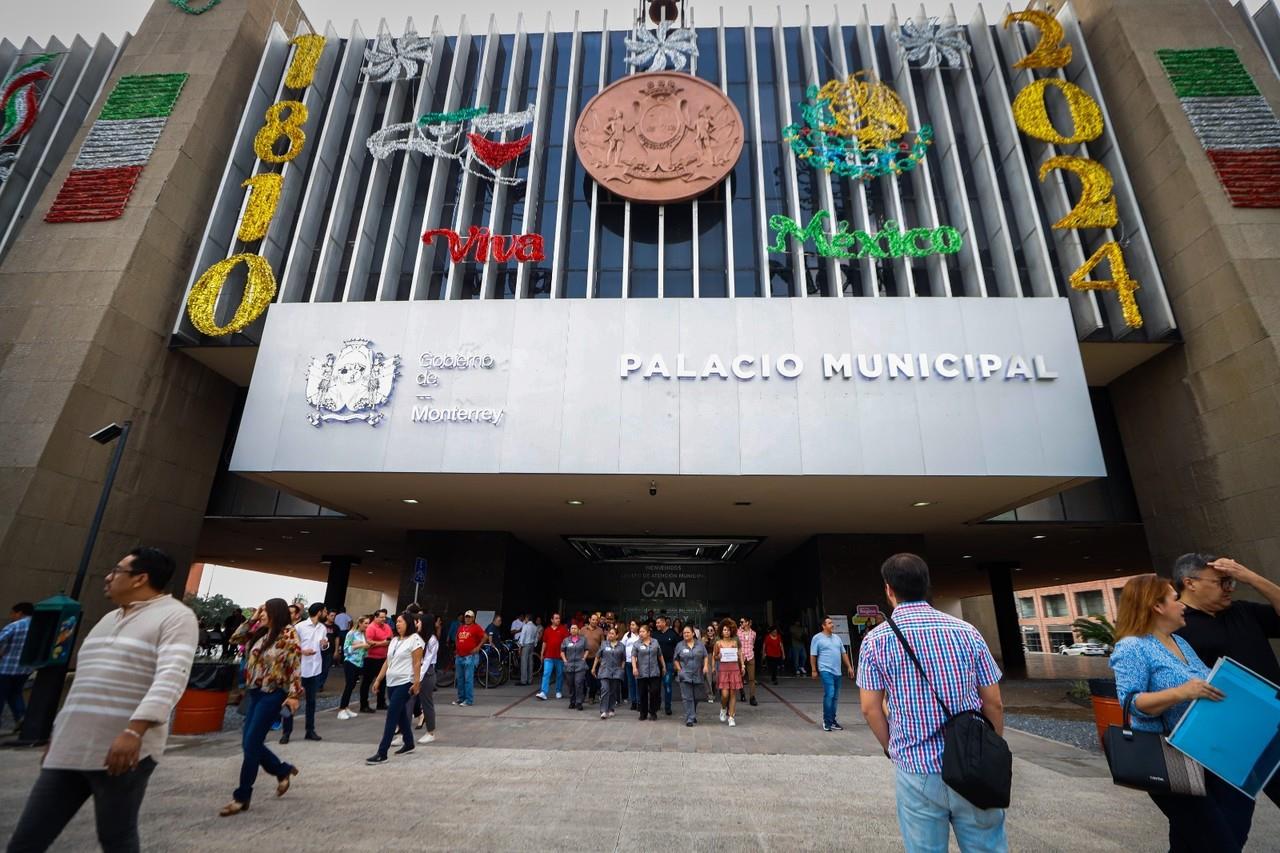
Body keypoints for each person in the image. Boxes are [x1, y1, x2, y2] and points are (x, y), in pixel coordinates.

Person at [9, 548, 198, 848]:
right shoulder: (107, 619)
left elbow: (171, 677)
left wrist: (134, 730)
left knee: (116, 837)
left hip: (121, 751)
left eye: (118, 571)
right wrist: (59, 733)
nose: (108, 577)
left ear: (140, 579)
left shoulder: (175, 617)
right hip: (69, 749)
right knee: (27, 838)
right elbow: (85, 683)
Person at [857, 553, 1006, 853]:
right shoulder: (967, 632)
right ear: (926, 585)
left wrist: (891, 748)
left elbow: (870, 708)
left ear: (888, 589)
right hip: (974, 765)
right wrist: (987, 750)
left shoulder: (875, 641)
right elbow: (993, 702)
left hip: (917, 768)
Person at [1111, 573, 1252, 852]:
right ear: (1157, 606)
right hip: (1170, 761)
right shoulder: (1132, 646)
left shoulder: (1180, 642)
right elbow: (1130, 701)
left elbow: (1203, 685)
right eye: (1175, 599)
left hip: (1208, 753)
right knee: (1218, 842)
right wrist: (1181, 692)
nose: (1183, 605)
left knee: (1199, 839)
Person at [1172, 553, 1280, 811]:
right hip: (1225, 735)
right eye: (1221, 582)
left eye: (1232, 582)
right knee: (1228, 820)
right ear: (1190, 583)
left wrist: (1250, 577)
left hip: (1272, 719)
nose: (1229, 588)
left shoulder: (1243, 611)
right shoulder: (1176, 624)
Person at [219, 598, 301, 817]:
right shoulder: (261, 633)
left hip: (273, 695)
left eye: (265, 610)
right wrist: (252, 619)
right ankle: (282, 769)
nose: (261, 613)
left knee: (252, 743)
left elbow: (294, 666)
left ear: (276, 612)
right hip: (254, 693)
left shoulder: (289, 635)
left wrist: (294, 695)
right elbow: (235, 638)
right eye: (261, 610)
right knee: (249, 742)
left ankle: (242, 796)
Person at [367, 613, 424, 764]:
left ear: (408, 623)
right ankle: (409, 742)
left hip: (405, 681)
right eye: (396, 622)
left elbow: (417, 663)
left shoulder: (415, 640)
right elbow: (387, 661)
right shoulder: (394, 640)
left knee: (392, 714)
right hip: (391, 682)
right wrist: (378, 679)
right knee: (400, 715)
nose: (397, 624)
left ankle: (382, 752)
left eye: (400, 622)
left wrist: (417, 683)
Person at [284, 602, 327, 744]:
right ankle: (286, 732)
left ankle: (310, 730)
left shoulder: (322, 628)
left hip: (315, 668)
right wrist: (303, 651)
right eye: (324, 611)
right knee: (291, 700)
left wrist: (325, 644)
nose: (326, 614)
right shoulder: (300, 627)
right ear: (319, 612)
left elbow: (324, 645)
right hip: (299, 669)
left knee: (311, 702)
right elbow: (290, 647)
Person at [810, 616, 855, 732]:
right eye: (829, 623)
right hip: (825, 670)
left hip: (837, 672)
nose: (832, 625)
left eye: (832, 623)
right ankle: (827, 721)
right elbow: (813, 655)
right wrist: (814, 670)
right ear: (823, 626)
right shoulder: (817, 638)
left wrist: (849, 667)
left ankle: (833, 720)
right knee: (829, 694)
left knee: (835, 697)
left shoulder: (837, 638)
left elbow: (843, 653)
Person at [0, 601, 34, 731]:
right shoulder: (38, 627)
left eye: (13, 613)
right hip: (25, 669)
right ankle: (21, 717)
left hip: (7, 668)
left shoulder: (14, 626)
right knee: (15, 693)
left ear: (19, 613)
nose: (12, 616)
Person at [674, 625, 708, 726]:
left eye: (688, 632)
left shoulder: (700, 645)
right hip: (685, 675)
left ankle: (692, 713)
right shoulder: (679, 645)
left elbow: (705, 656)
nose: (686, 634)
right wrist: (680, 670)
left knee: (696, 697)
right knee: (687, 697)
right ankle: (690, 718)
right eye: (684, 633)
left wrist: (706, 666)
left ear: (693, 633)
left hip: (698, 674)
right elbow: (675, 659)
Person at [337, 615, 369, 720]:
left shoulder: (363, 634)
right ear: (359, 623)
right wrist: (359, 645)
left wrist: (366, 647)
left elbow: (364, 649)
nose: (367, 625)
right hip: (350, 662)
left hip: (359, 663)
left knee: (352, 685)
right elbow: (346, 649)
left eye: (368, 623)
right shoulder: (351, 633)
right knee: (349, 685)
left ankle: (346, 707)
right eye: (365, 623)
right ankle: (341, 709)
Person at [714, 619, 745, 726]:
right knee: (724, 694)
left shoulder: (735, 642)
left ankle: (731, 717)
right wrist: (719, 656)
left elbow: (740, 654)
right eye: (724, 630)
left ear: (731, 631)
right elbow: (715, 656)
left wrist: (743, 665)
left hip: (734, 669)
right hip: (723, 670)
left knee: (732, 693)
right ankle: (723, 708)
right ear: (721, 631)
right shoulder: (718, 643)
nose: (726, 632)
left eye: (728, 630)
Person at [452, 609, 486, 707]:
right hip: (459, 656)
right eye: (466, 616)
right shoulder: (461, 627)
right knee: (460, 679)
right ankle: (461, 698)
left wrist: (478, 647)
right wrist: (457, 647)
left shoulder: (476, 627)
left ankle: (469, 700)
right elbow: (457, 638)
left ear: (473, 618)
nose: (467, 618)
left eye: (469, 617)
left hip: (469, 656)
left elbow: (485, 636)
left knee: (468, 679)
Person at [631, 624, 664, 721]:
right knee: (642, 693)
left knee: (654, 691)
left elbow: (660, 655)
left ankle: (653, 712)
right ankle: (643, 713)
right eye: (640, 632)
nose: (640, 633)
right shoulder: (637, 644)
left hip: (654, 671)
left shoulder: (655, 642)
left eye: (643, 631)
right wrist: (634, 668)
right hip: (642, 672)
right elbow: (633, 656)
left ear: (648, 633)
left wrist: (664, 666)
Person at [416, 613, 440, 744]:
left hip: (426, 673)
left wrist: (418, 678)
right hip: (417, 672)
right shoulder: (418, 637)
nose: (417, 624)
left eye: (419, 621)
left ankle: (430, 732)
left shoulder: (432, 640)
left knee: (427, 704)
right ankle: (401, 733)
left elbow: (427, 661)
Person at [593, 626, 626, 719]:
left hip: (616, 671)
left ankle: (611, 709)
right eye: (609, 633)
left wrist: (622, 669)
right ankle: (603, 711)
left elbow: (623, 659)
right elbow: (597, 656)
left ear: (617, 635)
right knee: (605, 689)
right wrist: (594, 668)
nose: (610, 635)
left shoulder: (621, 646)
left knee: (613, 691)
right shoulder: (604, 644)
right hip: (604, 670)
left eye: (612, 633)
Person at [362, 609, 391, 712]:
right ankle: (364, 705)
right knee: (367, 682)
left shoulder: (387, 627)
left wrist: (382, 643)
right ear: (375, 617)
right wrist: (383, 643)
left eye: (385, 617)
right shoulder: (371, 627)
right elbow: (369, 642)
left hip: (383, 658)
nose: (384, 619)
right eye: (381, 617)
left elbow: (390, 639)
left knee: (382, 681)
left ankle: (381, 702)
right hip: (371, 658)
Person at [536, 612, 569, 700]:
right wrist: (542, 653)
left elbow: (567, 642)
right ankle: (543, 692)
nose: (558, 620)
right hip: (548, 656)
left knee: (559, 674)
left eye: (559, 618)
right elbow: (544, 642)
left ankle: (558, 691)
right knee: (546, 674)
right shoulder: (547, 630)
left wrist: (566, 655)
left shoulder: (563, 629)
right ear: (552, 620)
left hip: (560, 656)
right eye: (556, 618)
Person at [653, 615, 679, 716]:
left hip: (668, 664)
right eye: (656, 623)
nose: (657, 625)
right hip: (656, 663)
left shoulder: (672, 634)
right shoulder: (655, 634)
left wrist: (676, 662)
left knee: (667, 685)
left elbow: (678, 647)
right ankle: (657, 704)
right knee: (656, 686)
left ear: (664, 623)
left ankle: (668, 707)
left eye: (658, 623)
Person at [562, 623, 588, 710]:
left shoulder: (583, 640)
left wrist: (584, 657)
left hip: (580, 665)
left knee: (578, 683)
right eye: (572, 628)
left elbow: (587, 649)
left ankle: (579, 702)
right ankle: (572, 701)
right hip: (569, 665)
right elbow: (562, 651)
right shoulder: (566, 640)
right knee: (571, 684)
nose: (573, 630)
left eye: (575, 628)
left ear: (578, 630)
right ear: (569, 630)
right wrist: (565, 660)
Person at [581, 612, 604, 704]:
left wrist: (602, 656)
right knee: (583, 677)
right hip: (584, 658)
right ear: (589, 620)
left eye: (596, 620)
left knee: (594, 678)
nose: (595, 621)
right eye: (593, 619)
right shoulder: (582, 630)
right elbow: (578, 642)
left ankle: (591, 697)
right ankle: (582, 695)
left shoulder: (600, 631)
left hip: (595, 658)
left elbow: (602, 644)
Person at [621, 618, 642, 709]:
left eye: (633, 625)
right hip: (629, 662)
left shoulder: (641, 635)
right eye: (631, 625)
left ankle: (639, 702)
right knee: (631, 683)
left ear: (638, 626)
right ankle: (633, 701)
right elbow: (622, 646)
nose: (631, 626)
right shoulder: (627, 635)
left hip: (639, 663)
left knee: (638, 683)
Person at [737, 615, 758, 706]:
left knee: (752, 678)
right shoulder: (738, 632)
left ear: (747, 623)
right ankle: (742, 693)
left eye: (742, 622)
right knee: (740, 677)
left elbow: (752, 644)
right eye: (740, 622)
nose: (741, 624)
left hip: (750, 656)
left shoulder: (753, 633)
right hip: (740, 657)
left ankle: (752, 697)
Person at [517, 614, 539, 686]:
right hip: (532, 645)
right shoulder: (535, 627)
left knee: (524, 662)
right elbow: (536, 637)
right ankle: (530, 680)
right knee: (530, 662)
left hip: (526, 645)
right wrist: (535, 644)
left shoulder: (525, 626)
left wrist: (520, 646)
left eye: (525, 619)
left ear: (527, 618)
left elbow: (522, 636)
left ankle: (523, 680)